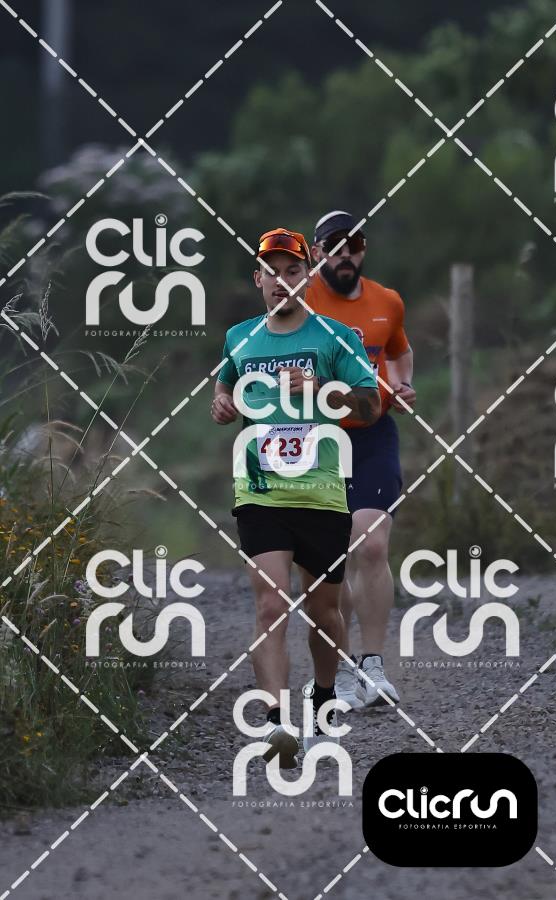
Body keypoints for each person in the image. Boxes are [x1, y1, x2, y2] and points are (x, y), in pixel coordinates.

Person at [211, 227, 380, 767]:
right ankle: (277, 725)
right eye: (272, 272)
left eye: (292, 271)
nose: (282, 281)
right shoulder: (240, 338)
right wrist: (222, 403)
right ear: (257, 279)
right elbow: (225, 383)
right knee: (269, 604)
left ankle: (324, 698)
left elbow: (371, 405)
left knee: (324, 612)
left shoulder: (335, 338)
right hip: (259, 491)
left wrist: (320, 389)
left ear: (308, 277)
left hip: (321, 493)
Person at [305, 210, 416, 709]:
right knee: (327, 561)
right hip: (315, 440)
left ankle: (374, 667)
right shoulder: (301, 300)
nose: (345, 254)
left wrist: (403, 383)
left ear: (363, 250)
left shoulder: (387, 300)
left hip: (372, 435)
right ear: (317, 252)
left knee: (370, 545)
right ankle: (343, 672)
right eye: (334, 246)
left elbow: (398, 350)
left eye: (354, 245)